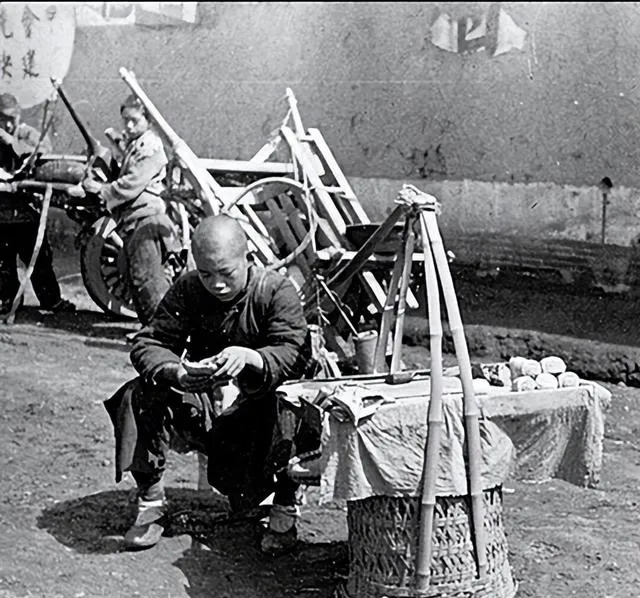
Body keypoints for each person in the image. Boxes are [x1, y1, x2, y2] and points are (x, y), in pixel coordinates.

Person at [104, 214, 314, 555]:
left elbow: (294, 353)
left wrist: (251, 358)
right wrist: (177, 372)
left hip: (259, 412)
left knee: (294, 405)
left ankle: (285, 508)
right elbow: (150, 342)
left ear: (247, 258)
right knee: (138, 394)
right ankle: (151, 503)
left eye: (226, 273)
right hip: (207, 404)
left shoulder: (276, 291)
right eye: (206, 274)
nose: (216, 284)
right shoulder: (189, 289)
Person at [69, 93, 180, 327]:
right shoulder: (136, 143)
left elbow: (132, 183)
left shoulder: (150, 146)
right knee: (135, 276)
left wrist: (102, 189)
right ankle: (149, 329)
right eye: (125, 120)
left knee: (147, 278)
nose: (128, 126)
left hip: (147, 218)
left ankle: (159, 332)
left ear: (149, 121)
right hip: (134, 218)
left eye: (134, 120)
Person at [0, 92, 76, 315]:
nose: (8, 124)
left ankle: (51, 300)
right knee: (3, 262)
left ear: (19, 115)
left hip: (26, 211)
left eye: (12, 118)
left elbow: (43, 153)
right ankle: (8, 300)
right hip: (2, 212)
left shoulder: (28, 134)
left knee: (39, 259)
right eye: (3, 119)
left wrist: (12, 142)